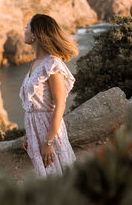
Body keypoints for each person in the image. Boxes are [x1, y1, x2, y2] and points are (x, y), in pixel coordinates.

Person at [19, 13, 79, 178]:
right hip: (35, 131)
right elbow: (34, 103)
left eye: (27, 27)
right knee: (45, 177)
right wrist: (28, 133)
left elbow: (60, 104)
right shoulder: (35, 64)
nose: (24, 30)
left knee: (58, 175)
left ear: (35, 34)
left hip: (49, 130)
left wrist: (49, 141)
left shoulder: (53, 64)